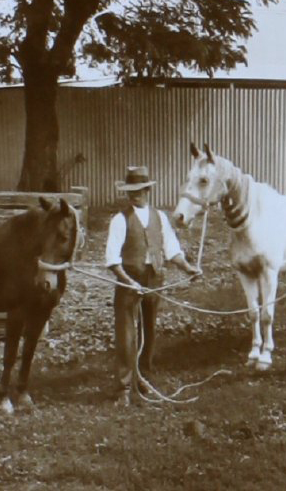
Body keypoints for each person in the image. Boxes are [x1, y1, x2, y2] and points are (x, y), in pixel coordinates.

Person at [105, 165, 200, 406]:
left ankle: (144, 379)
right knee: (126, 334)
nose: (134, 195)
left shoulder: (160, 217)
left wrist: (187, 268)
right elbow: (112, 261)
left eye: (139, 190)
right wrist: (130, 282)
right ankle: (123, 389)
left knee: (148, 331)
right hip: (129, 280)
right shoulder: (119, 220)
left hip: (154, 279)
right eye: (130, 191)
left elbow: (172, 250)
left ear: (148, 190)